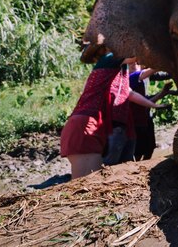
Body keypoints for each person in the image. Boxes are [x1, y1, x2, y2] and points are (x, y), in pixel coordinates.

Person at [60, 46, 166, 179]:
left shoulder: (119, 72)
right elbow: (137, 53)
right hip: (85, 127)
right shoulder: (109, 59)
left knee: (99, 181)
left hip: (98, 128)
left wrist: (154, 105)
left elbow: (130, 93)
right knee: (87, 184)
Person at [128, 65, 174, 160]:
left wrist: (162, 93)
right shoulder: (131, 78)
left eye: (136, 62)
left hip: (146, 118)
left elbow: (147, 101)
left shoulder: (144, 78)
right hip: (135, 122)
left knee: (150, 147)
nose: (133, 64)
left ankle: (142, 168)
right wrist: (164, 62)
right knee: (138, 151)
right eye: (130, 63)